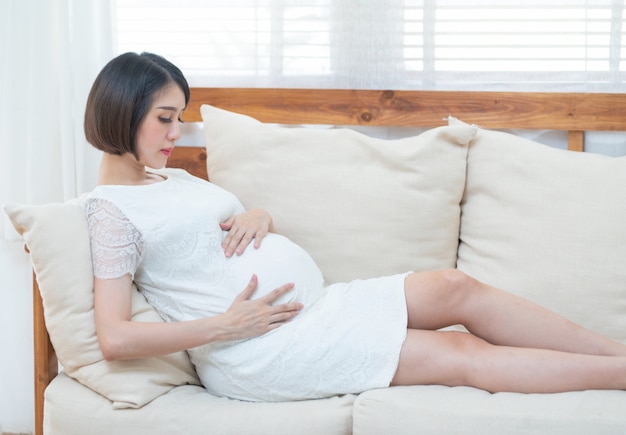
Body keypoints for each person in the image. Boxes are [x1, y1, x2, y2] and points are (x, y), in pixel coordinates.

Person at [84, 52, 626, 402]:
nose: (177, 130)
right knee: (461, 356)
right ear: (122, 112)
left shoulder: (169, 180)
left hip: (316, 309)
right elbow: (115, 337)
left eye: (181, 116)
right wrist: (224, 327)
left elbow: (214, 235)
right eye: (165, 117)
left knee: (454, 287)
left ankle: (616, 353)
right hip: (259, 350)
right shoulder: (110, 210)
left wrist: (261, 215)